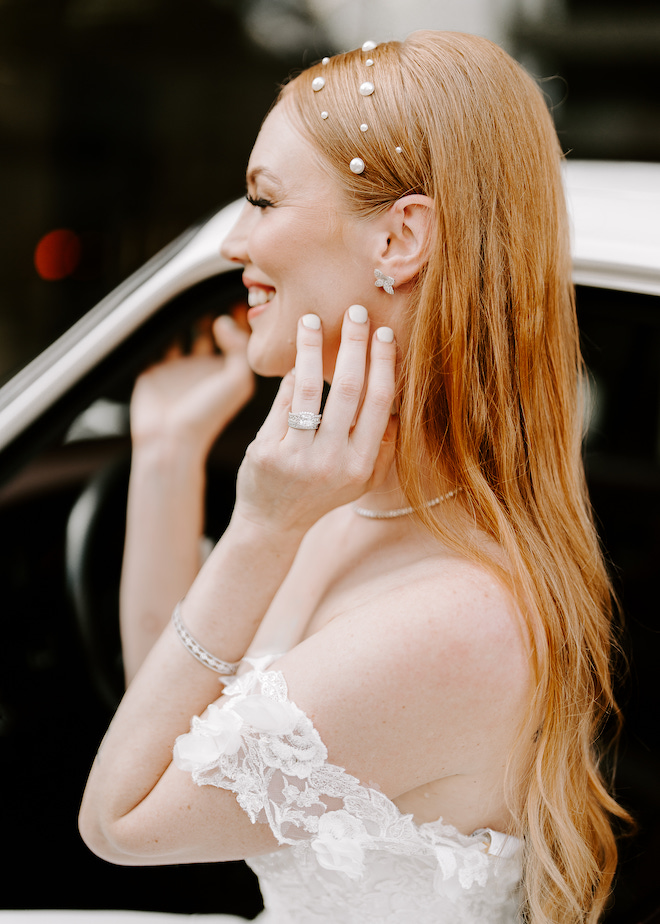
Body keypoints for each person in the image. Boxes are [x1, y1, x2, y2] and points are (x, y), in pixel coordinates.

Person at [78, 31, 630, 924]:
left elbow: (123, 819)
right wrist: (170, 452)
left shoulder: (459, 617)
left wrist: (261, 529)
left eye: (262, 199)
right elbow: (185, 720)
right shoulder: (360, 502)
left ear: (402, 235)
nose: (234, 240)